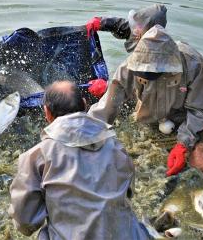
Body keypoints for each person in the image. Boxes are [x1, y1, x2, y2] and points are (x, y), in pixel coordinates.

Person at [9, 81, 149, 239]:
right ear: (84, 104)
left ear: (47, 113)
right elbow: (128, 193)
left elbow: (25, 223)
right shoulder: (115, 146)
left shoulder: (36, 156)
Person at [88, 25, 203, 176]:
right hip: (152, 113)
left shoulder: (193, 64)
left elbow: (200, 110)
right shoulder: (129, 67)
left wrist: (183, 144)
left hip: (187, 116)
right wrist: (87, 134)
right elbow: (106, 107)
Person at [86, 3, 168, 53]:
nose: (135, 29)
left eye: (139, 26)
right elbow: (122, 26)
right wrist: (101, 22)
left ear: (150, 31)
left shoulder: (162, 52)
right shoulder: (138, 31)